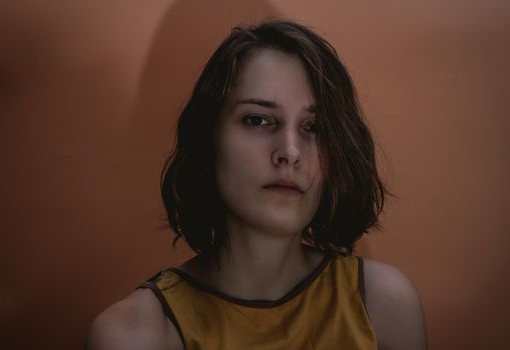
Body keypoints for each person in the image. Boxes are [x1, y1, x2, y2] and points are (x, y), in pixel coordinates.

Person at [86, 20, 427, 350]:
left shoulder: (384, 307)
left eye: (315, 127)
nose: (290, 152)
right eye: (258, 120)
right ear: (208, 139)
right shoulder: (136, 336)